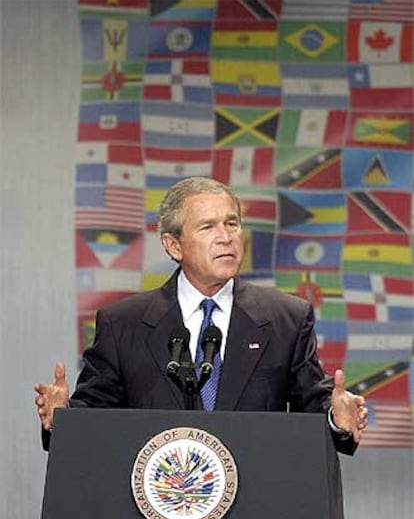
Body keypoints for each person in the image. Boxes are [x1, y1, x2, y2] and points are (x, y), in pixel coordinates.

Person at [35, 176, 367, 453]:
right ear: (173, 245)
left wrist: (337, 420)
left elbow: (315, 408)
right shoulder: (124, 324)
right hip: (155, 511)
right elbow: (91, 421)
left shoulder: (287, 319)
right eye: (208, 227)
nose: (225, 237)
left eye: (232, 223)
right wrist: (63, 419)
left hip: (255, 506)